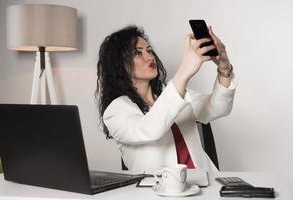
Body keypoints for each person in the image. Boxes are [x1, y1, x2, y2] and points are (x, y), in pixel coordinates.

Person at [95, 25, 237, 173]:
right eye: (137, 53)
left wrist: (224, 67)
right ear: (120, 64)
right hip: (156, 192)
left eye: (149, 50)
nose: (149, 57)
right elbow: (150, 129)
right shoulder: (115, 110)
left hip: (203, 184)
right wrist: (184, 71)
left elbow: (218, 108)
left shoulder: (171, 91)